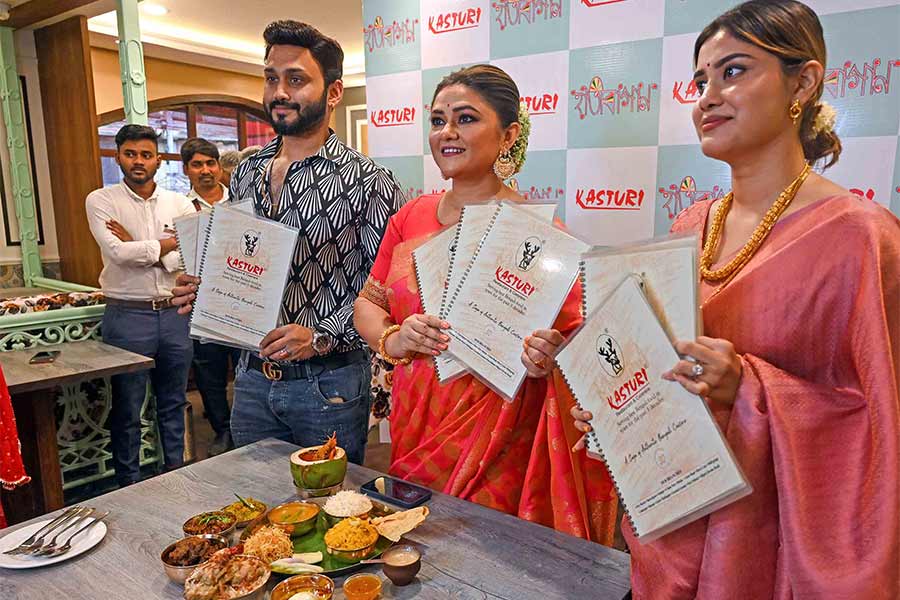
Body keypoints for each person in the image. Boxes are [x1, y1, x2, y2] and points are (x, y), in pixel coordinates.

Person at [570, 1, 899, 597]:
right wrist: (616, 409)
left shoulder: (861, 238)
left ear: (803, 81)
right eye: (701, 80)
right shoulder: (691, 225)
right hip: (672, 533)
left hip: (776, 553)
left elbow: (879, 429)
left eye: (735, 71)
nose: (707, 96)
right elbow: (658, 373)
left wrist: (746, 387)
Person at [352, 65, 617, 544]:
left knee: (482, 555)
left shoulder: (540, 239)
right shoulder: (410, 217)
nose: (447, 133)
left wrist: (549, 357)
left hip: (499, 435)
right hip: (417, 420)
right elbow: (367, 306)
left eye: (466, 119)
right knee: (416, 545)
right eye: (437, 121)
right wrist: (395, 335)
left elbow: (579, 357)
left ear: (509, 134)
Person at [171, 21, 404, 465]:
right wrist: (205, 290)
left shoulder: (368, 181)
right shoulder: (245, 172)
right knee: (255, 509)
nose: (279, 92)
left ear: (333, 92)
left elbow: (384, 293)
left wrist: (319, 337)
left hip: (327, 386)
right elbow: (241, 263)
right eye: (271, 78)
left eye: (296, 79)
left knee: (328, 513)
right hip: (253, 381)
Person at [86, 124, 195, 487]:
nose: (138, 161)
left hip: (174, 313)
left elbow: (192, 255)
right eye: (130, 154)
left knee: (173, 402)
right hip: (127, 315)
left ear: (158, 160)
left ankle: (174, 474)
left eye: (146, 155)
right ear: (118, 156)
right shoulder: (101, 200)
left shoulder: (178, 203)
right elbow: (117, 253)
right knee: (128, 408)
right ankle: (129, 484)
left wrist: (143, 247)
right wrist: (165, 245)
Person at [180, 137, 241, 456]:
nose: (205, 170)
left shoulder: (242, 200)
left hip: (244, 301)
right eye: (197, 164)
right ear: (186, 170)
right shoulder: (181, 209)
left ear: (219, 167)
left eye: (210, 163)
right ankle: (222, 430)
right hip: (204, 304)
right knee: (209, 372)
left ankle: (246, 427)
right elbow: (174, 258)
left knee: (246, 368)